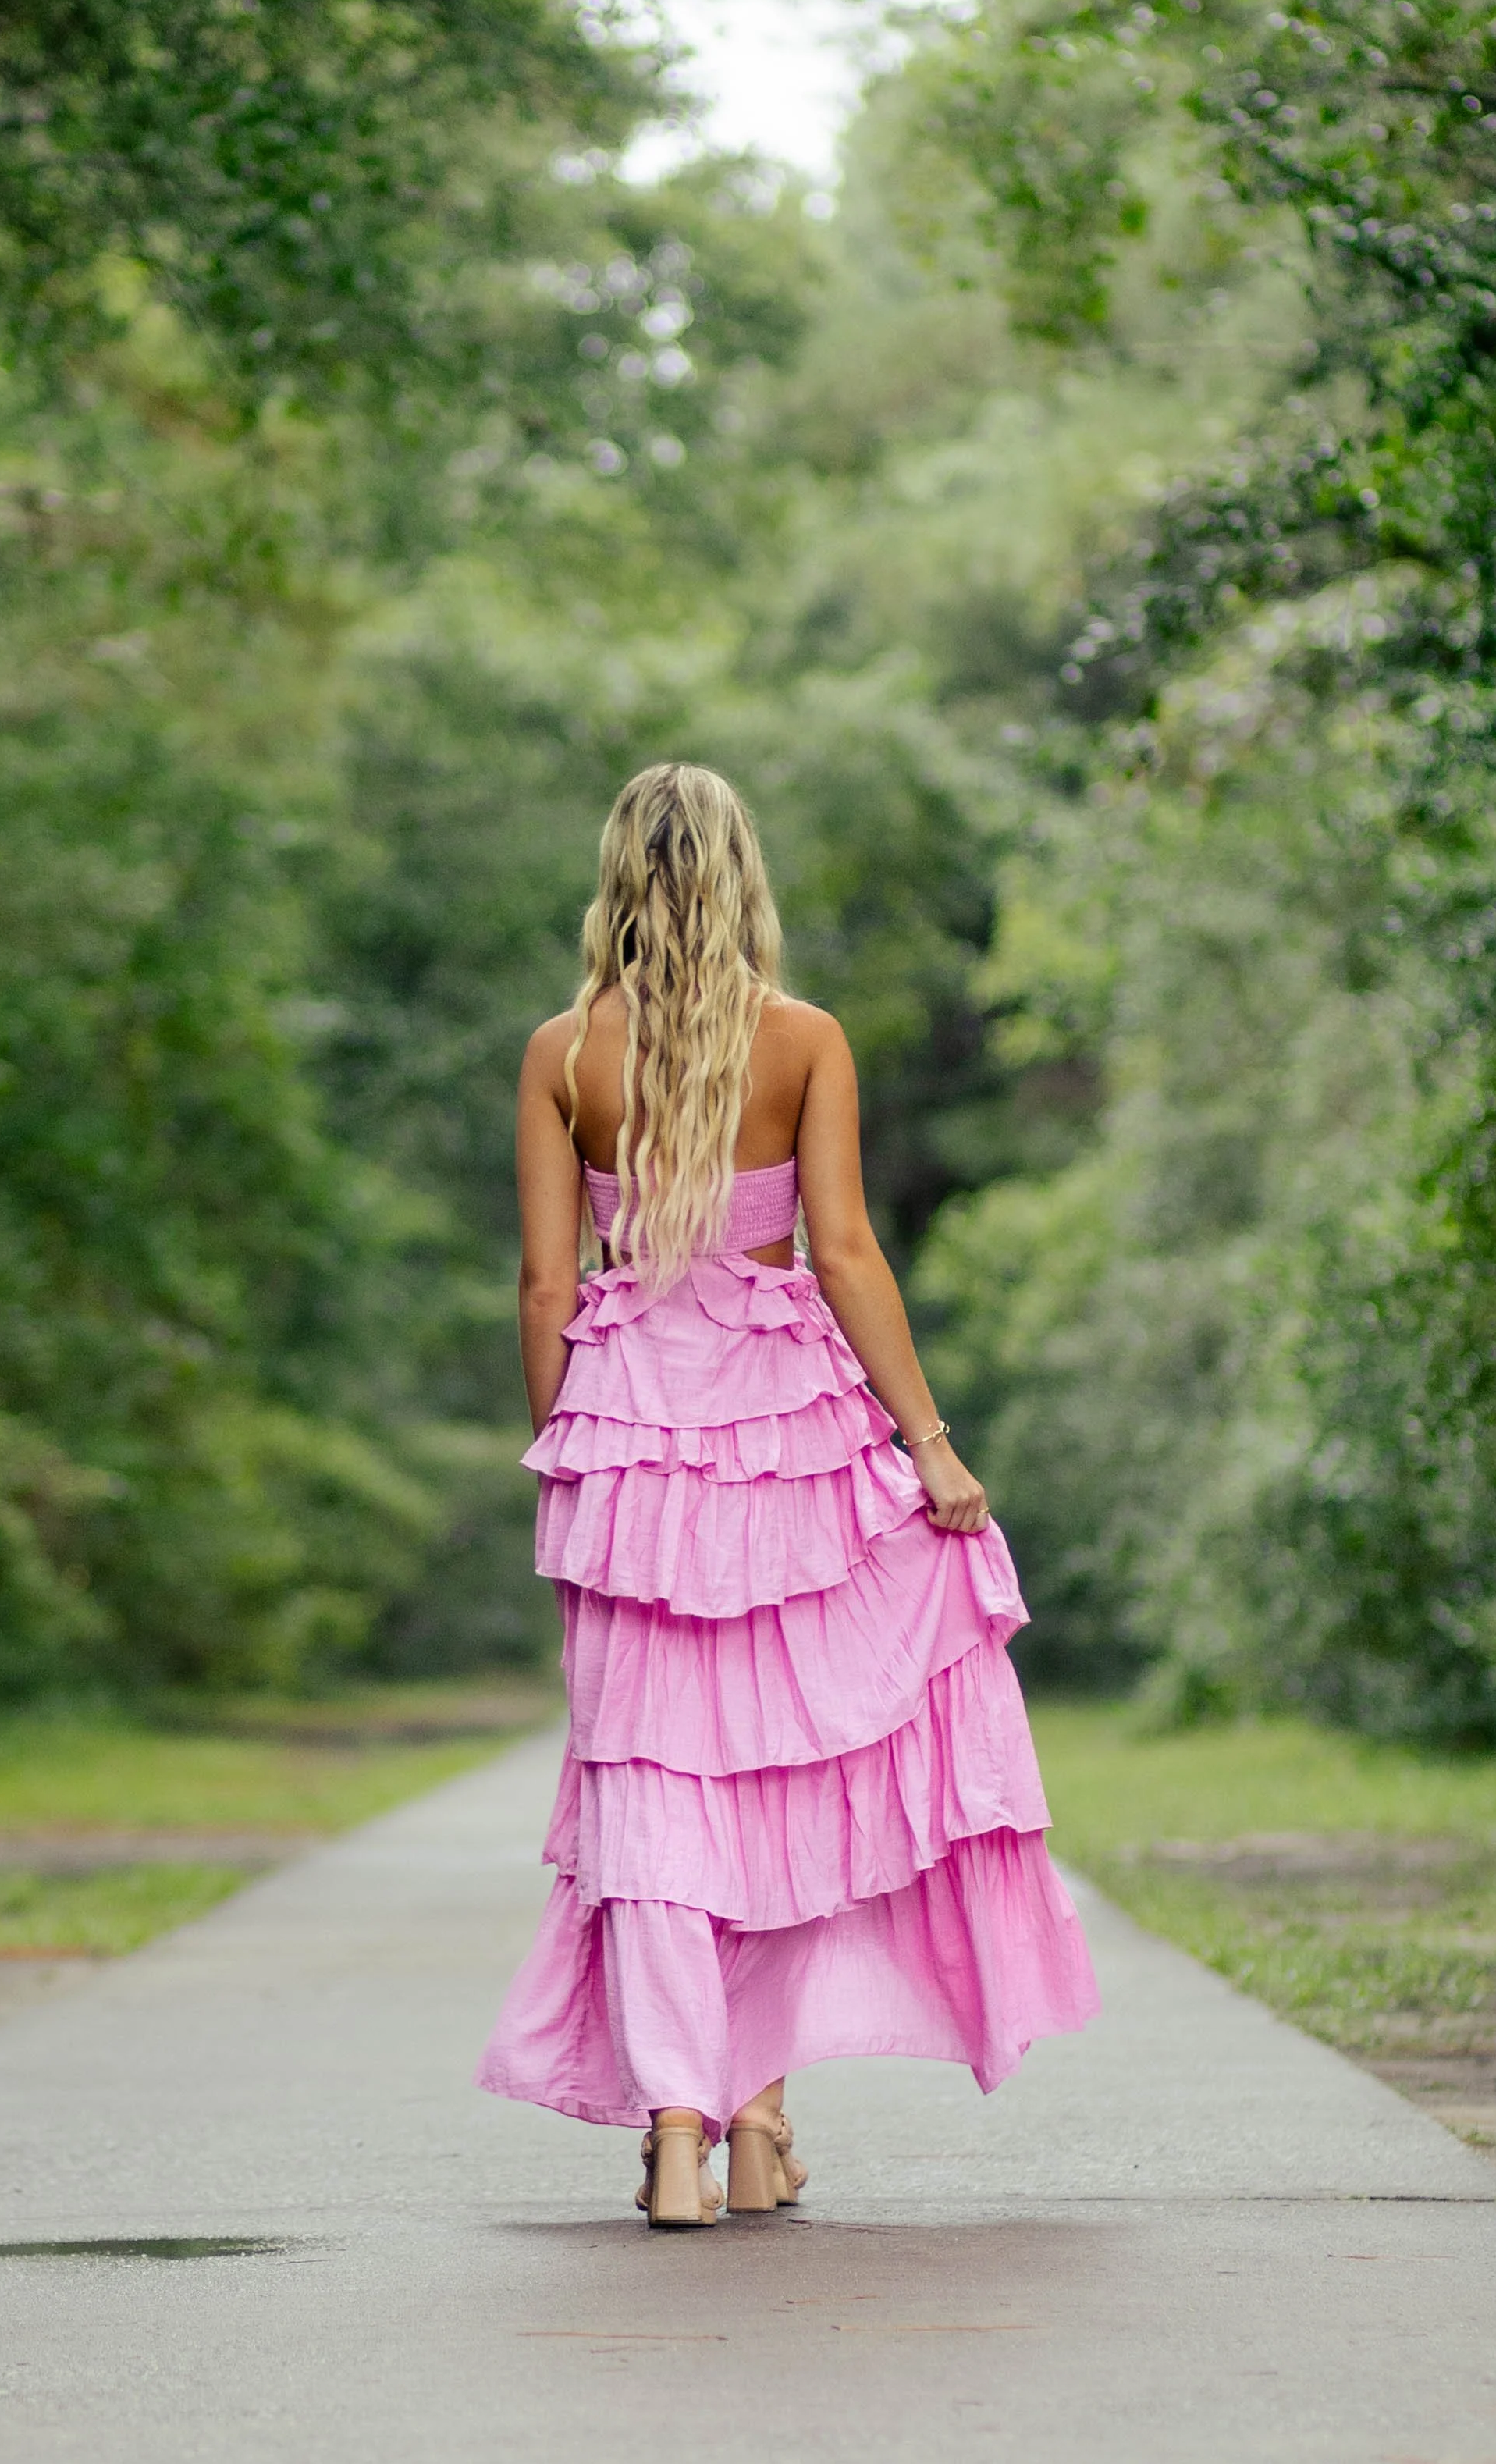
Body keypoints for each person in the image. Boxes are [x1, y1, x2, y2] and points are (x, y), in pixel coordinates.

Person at [476, 763, 1098, 2227]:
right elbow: (847, 1252)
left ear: (621, 876)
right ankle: (750, 2124)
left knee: (657, 1787)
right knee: (767, 1772)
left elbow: (549, 1285)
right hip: (787, 1438)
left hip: (629, 1439)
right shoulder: (805, 1039)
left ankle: (689, 2136)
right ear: (743, 873)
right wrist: (930, 1443)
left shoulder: (565, 1053)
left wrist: (571, 1461)